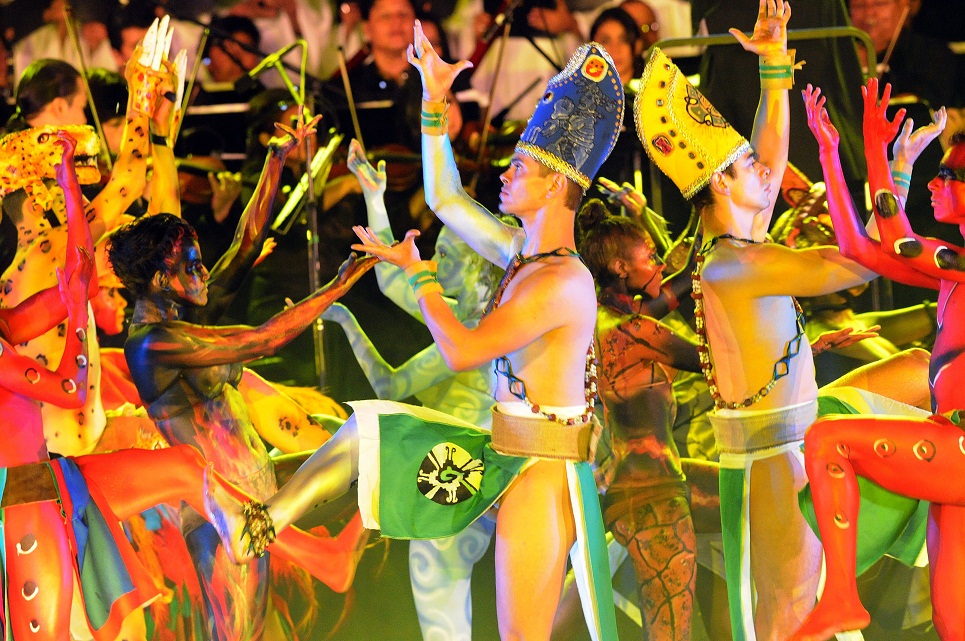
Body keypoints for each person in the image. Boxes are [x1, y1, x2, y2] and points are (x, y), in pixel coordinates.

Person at [205, 25, 626, 641]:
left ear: (557, 185)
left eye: (523, 167)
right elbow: (444, 194)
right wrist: (433, 101)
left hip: (541, 470)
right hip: (497, 448)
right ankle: (260, 526)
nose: (506, 175)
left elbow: (461, 350)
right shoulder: (521, 252)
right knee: (368, 426)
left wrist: (421, 277)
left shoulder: (562, 281)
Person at [633, 1, 934, 637]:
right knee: (789, 615)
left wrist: (774, 66)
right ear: (719, 186)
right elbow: (859, 266)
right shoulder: (735, 266)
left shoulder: (742, 239)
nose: (769, 174)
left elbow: (772, 146)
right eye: (748, 170)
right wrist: (895, 177)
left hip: (806, 428)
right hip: (776, 462)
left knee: (916, 370)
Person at [108, 112, 373, 641]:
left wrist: (276, 159)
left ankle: (331, 558)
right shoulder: (153, 344)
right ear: (162, 279)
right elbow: (262, 340)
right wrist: (337, 287)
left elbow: (247, 243)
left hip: (259, 496)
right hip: (219, 514)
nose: (204, 273)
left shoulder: (181, 314)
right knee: (237, 632)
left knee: (260, 626)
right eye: (191, 265)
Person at [790, 78, 965, 640]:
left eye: (951, 174)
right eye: (938, 172)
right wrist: (827, 155)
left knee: (829, 440)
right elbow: (857, 246)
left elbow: (894, 238)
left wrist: (873, 145)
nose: (939, 182)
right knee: (953, 621)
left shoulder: (959, 261)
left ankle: (841, 597)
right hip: (950, 443)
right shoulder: (949, 270)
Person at [322, 139, 505, 641]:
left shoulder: (471, 331)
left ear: (479, 270)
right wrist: (375, 197)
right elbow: (391, 281)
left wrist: (346, 322)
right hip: (463, 472)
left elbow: (390, 384)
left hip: (458, 476)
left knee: (444, 617)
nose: (435, 258)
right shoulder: (461, 310)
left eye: (447, 253)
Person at [847, 0, 955, 110]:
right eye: (859, 6)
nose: (869, 13)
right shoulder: (842, 56)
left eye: (879, 4)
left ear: (902, 6)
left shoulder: (932, 53)